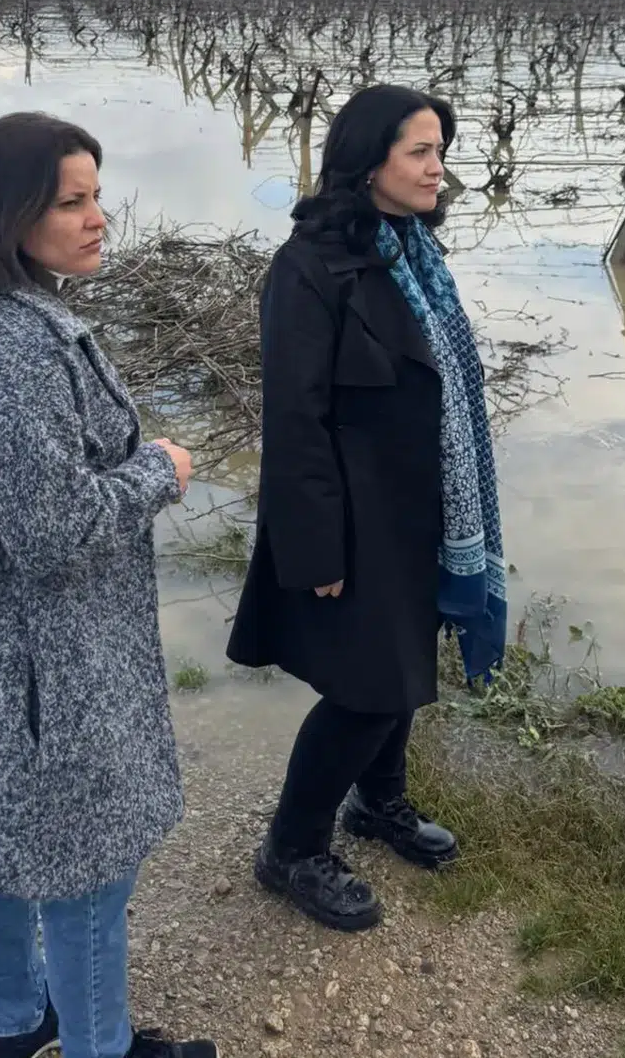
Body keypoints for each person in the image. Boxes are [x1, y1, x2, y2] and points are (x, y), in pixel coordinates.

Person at [0, 112, 217, 1058]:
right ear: (9, 214)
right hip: (24, 662)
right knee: (87, 866)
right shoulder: (14, 350)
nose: (98, 217)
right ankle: (95, 1044)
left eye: (97, 196)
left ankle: (16, 1021)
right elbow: (56, 533)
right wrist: (159, 470)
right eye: (72, 201)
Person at [228, 83, 506, 931]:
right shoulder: (310, 266)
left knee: (403, 668)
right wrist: (317, 549)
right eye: (419, 151)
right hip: (355, 519)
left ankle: (377, 801)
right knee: (369, 690)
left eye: (440, 151)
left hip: (421, 509)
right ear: (368, 160)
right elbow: (295, 417)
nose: (437, 168)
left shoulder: (414, 251)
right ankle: (292, 846)